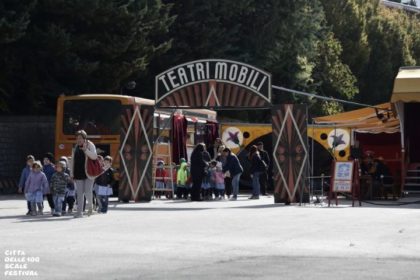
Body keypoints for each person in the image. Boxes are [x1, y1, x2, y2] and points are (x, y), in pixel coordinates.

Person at [71, 130, 98, 218]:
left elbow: (94, 156)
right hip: (78, 172)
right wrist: (72, 173)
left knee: (87, 191)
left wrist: (85, 150)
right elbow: (72, 161)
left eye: (80, 138)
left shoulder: (90, 145)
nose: (78, 140)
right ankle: (79, 212)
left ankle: (90, 207)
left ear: (84, 138)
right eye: (77, 138)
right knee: (79, 193)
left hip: (89, 172)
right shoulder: (75, 147)